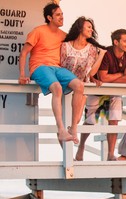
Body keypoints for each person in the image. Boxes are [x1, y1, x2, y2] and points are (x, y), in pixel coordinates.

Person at [18, 2, 85, 144]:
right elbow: (24, 53)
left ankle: (73, 129)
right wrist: (22, 75)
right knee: (57, 88)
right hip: (40, 67)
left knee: (79, 85)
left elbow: (80, 50)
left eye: (62, 14)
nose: (62, 17)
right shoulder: (38, 31)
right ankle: (61, 130)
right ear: (49, 17)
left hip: (57, 68)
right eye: (58, 15)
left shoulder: (64, 35)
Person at [75, 29, 126, 161]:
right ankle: (81, 147)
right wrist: (120, 74)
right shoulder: (106, 53)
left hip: (114, 91)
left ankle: (110, 154)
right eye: (125, 41)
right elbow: (102, 77)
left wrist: (112, 77)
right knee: (91, 120)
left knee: (113, 120)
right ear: (116, 42)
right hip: (98, 90)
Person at [61, 16, 107, 85]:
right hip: (65, 85)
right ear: (80, 28)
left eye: (92, 28)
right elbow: (62, 68)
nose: (92, 30)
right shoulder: (65, 45)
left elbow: (91, 73)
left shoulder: (92, 48)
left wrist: (101, 54)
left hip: (83, 86)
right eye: (89, 27)